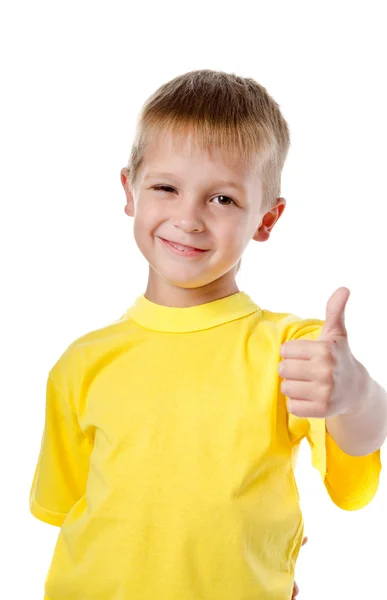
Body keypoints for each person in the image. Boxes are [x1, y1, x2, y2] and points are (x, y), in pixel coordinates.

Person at [29, 69, 384, 600]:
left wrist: (356, 395)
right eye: (166, 188)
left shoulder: (295, 350)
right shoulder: (82, 362)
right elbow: (72, 511)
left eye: (222, 199)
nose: (189, 218)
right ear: (130, 191)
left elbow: (359, 447)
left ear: (267, 218)